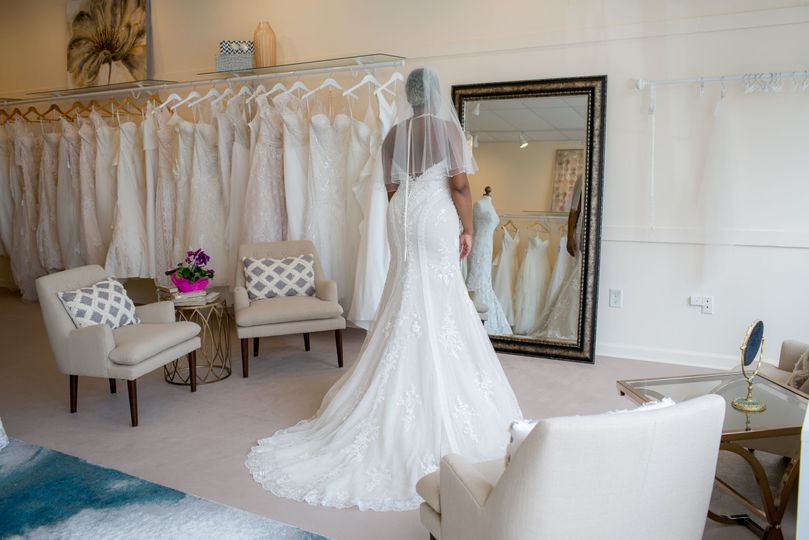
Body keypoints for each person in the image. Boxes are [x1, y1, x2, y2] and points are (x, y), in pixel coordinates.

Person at [245, 68, 523, 511]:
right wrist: (467, 227)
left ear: (409, 98)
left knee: (406, 290)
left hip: (404, 215)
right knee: (441, 295)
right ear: (435, 95)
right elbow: (460, 184)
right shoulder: (448, 129)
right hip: (434, 213)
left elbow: (391, 186)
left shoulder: (394, 134)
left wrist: (409, 212)